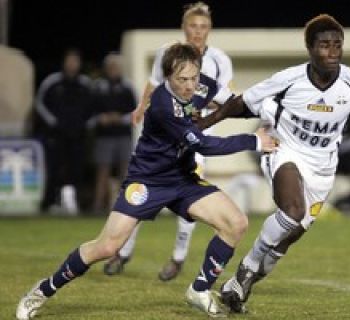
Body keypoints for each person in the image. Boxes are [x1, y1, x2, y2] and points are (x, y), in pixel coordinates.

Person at [16, 43, 276, 320]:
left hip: (182, 178)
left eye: (194, 78)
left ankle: (199, 290)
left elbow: (235, 102)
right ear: (167, 78)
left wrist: (273, 112)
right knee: (107, 247)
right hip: (147, 181)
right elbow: (203, 144)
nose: (190, 86)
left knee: (235, 223)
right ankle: (41, 291)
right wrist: (253, 140)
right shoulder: (163, 105)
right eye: (181, 80)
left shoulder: (200, 85)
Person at [195, 14, 350, 313]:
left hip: (322, 169)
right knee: (292, 212)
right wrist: (205, 121)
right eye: (324, 45)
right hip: (285, 152)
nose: (332, 52)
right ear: (310, 48)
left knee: (286, 240)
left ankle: (238, 288)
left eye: (337, 45)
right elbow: (240, 103)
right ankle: (246, 268)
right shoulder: (289, 80)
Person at [104, 1, 234, 281]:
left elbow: (224, 101)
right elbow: (153, 84)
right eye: (192, 26)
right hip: (163, 139)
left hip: (196, 143)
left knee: (190, 203)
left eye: (203, 26)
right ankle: (123, 251)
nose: (197, 32)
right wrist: (141, 108)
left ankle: (178, 257)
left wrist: (203, 116)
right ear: (184, 27)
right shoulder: (167, 53)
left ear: (209, 29)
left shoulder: (219, 60)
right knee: (140, 193)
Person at [35, 49, 93, 215]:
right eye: (69, 61)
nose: (72, 64)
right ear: (64, 62)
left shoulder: (85, 84)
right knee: (54, 168)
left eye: (75, 61)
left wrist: (85, 125)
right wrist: (53, 122)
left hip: (78, 135)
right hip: (56, 134)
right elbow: (40, 103)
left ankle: (77, 203)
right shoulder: (52, 82)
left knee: (77, 169)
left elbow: (93, 108)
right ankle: (49, 203)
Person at [90, 52, 137, 213]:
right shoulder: (98, 87)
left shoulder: (127, 87)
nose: (113, 70)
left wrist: (120, 118)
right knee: (102, 170)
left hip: (123, 135)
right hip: (104, 136)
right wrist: (101, 118)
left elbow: (136, 112)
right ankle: (98, 205)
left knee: (125, 170)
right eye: (110, 67)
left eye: (116, 67)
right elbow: (90, 111)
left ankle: (125, 205)